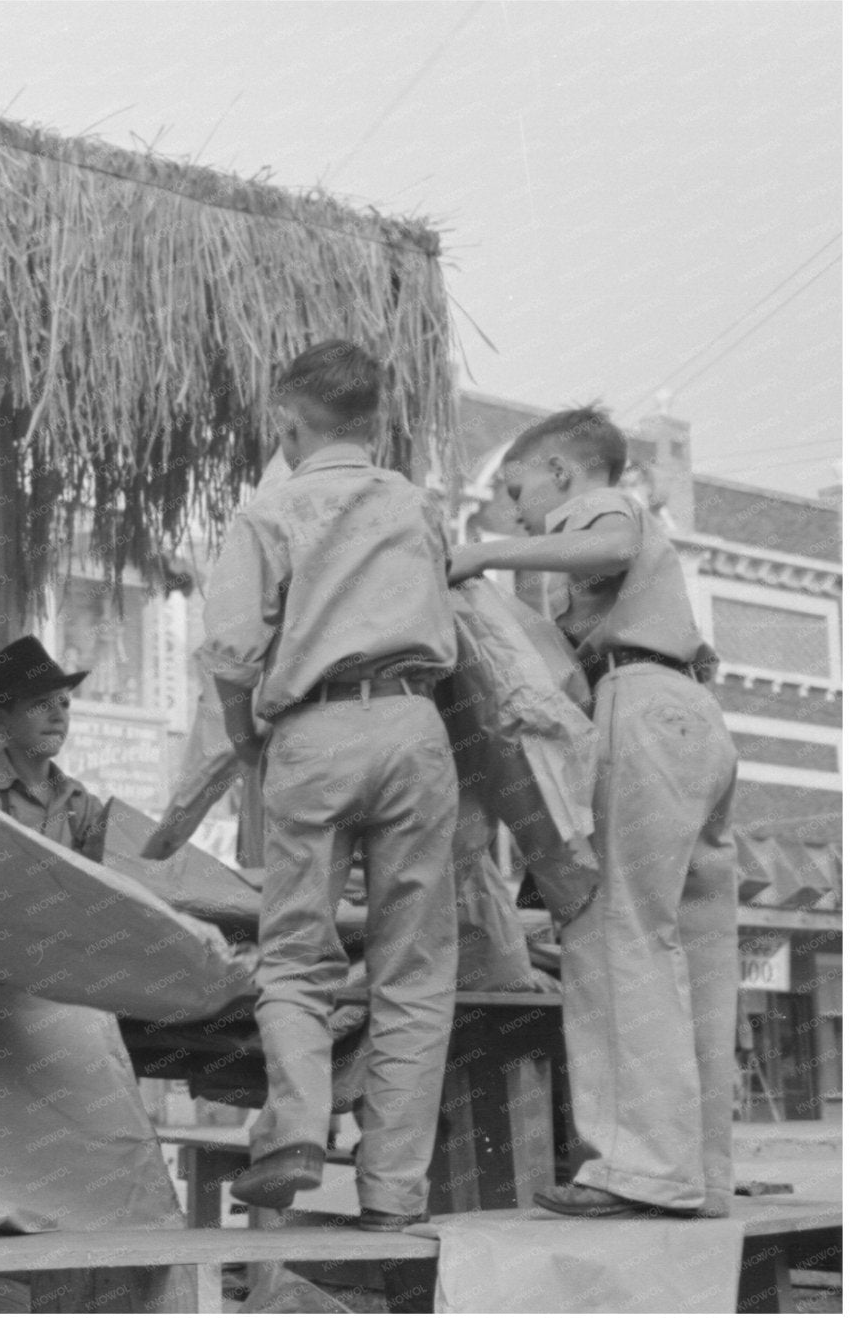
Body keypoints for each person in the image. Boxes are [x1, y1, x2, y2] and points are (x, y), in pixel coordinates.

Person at [449, 406, 738, 1220]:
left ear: (562, 474)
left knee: (616, 937)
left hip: (642, 707)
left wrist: (482, 554)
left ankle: (638, 1171)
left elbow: (606, 543)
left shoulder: (599, 510)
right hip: (696, 721)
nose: (516, 511)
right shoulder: (647, 575)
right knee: (696, 951)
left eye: (517, 491)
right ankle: (699, 1174)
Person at [199, 339, 459, 1232]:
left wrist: (245, 743)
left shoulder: (271, 512)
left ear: (289, 421)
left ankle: (299, 1127)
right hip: (415, 727)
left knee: (297, 955)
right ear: (375, 420)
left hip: (311, 731)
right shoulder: (416, 507)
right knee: (414, 971)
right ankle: (392, 1191)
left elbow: (232, 650)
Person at [0, 636, 108, 857]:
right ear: (1, 721)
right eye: (42, 704)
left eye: (64, 704)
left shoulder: (82, 803)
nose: (59, 717)